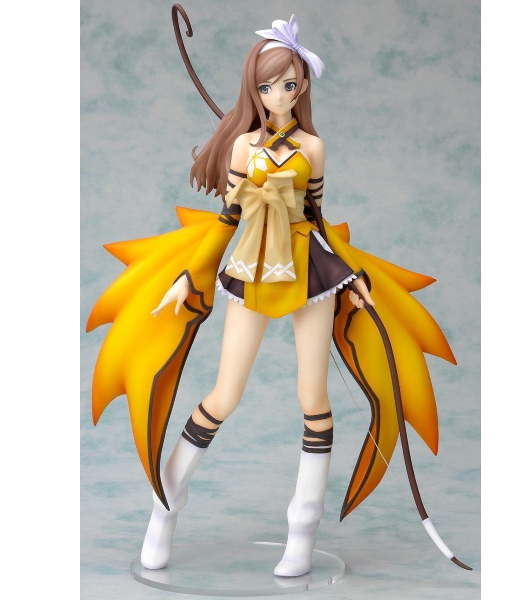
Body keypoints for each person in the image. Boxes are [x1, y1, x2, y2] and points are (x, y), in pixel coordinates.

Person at [87, 14, 458, 577]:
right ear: (253, 91)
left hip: (310, 273)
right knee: (224, 395)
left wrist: (353, 275)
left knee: (314, 397)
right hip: (252, 271)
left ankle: (302, 531)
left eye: (287, 84)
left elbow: (317, 218)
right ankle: (164, 510)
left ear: (302, 84)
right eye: (265, 87)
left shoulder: (313, 147)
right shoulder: (243, 147)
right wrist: (191, 274)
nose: (278, 95)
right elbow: (227, 218)